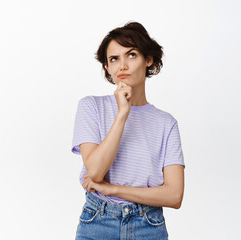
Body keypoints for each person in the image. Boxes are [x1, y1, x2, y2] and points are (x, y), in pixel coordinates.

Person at [71, 21, 185, 240]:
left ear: (148, 60)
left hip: (148, 225)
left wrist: (113, 189)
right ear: (107, 67)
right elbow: (94, 172)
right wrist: (122, 114)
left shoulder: (166, 123)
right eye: (114, 59)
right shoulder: (91, 106)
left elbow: (174, 195)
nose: (122, 65)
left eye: (131, 55)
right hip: (97, 222)